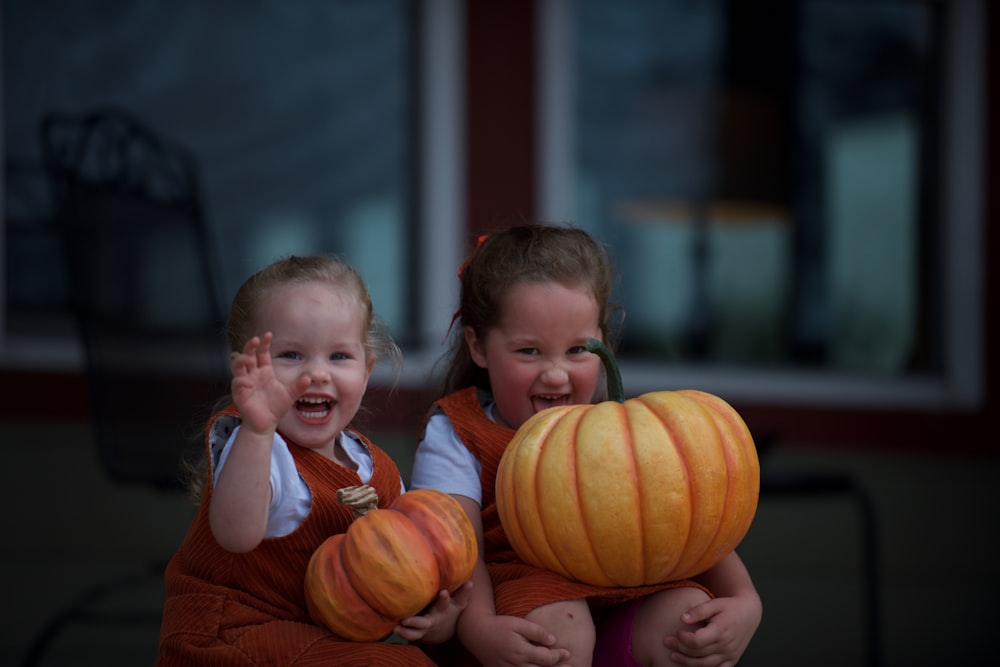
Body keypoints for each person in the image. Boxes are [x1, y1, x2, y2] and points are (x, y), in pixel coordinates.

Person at [411, 224, 762, 667]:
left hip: (627, 594)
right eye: (529, 352)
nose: (555, 374)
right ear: (478, 346)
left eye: (577, 350)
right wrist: (479, 627)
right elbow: (462, 547)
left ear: (604, 340)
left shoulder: (627, 435)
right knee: (560, 627)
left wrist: (744, 600)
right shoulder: (457, 430)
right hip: (515, 606)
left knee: (687, 618)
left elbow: (688, 520)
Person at [157, 255, 469, 666]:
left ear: (367, 369)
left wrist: (435, 618)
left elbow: (409, 561)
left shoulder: (374, 468)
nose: (317, 374)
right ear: (248, 371)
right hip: (231, 636)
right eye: (290, 356)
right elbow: (234, 534)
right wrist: (257, 428)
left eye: (339, 356)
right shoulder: (257, 447)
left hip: (315, 640)